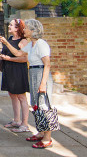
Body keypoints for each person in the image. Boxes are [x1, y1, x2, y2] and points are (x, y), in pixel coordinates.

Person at [3, 18, 54, 149]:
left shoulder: (41, 44)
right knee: (35, 104)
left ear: (33, 30)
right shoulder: (31, 44)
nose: (24, 30)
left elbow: (47, 64)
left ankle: (47, 138)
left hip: (40, 73)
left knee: (43, 105)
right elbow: (18, 53)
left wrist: (43, 84)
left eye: (26, 28)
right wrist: (6, 43)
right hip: (33, 73)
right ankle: (41, 132)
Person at [0, 19, 30, 133]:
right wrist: (3, 57)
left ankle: (25, 123)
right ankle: (16, 120)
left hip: (18, 71)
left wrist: (9, 58)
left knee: (21, 97)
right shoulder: (10, 39)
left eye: (11, 25)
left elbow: (24, 58)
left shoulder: (23, 41)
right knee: (12, 95)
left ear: (17, 28)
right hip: (9, 70)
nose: (9, 26)